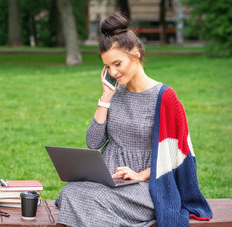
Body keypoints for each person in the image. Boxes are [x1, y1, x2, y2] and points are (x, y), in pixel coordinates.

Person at [56, 12, 212, 227]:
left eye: (117, 63)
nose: (113, 72)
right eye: (107, 67)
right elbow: (93, 143)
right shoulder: (115, 94)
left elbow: (180, 156)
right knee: (71, 192)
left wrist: (140, 175)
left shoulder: (165, 97)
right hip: (108, 181)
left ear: (136, 54)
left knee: (86, 200)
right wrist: (106, 98)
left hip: (148, 186)